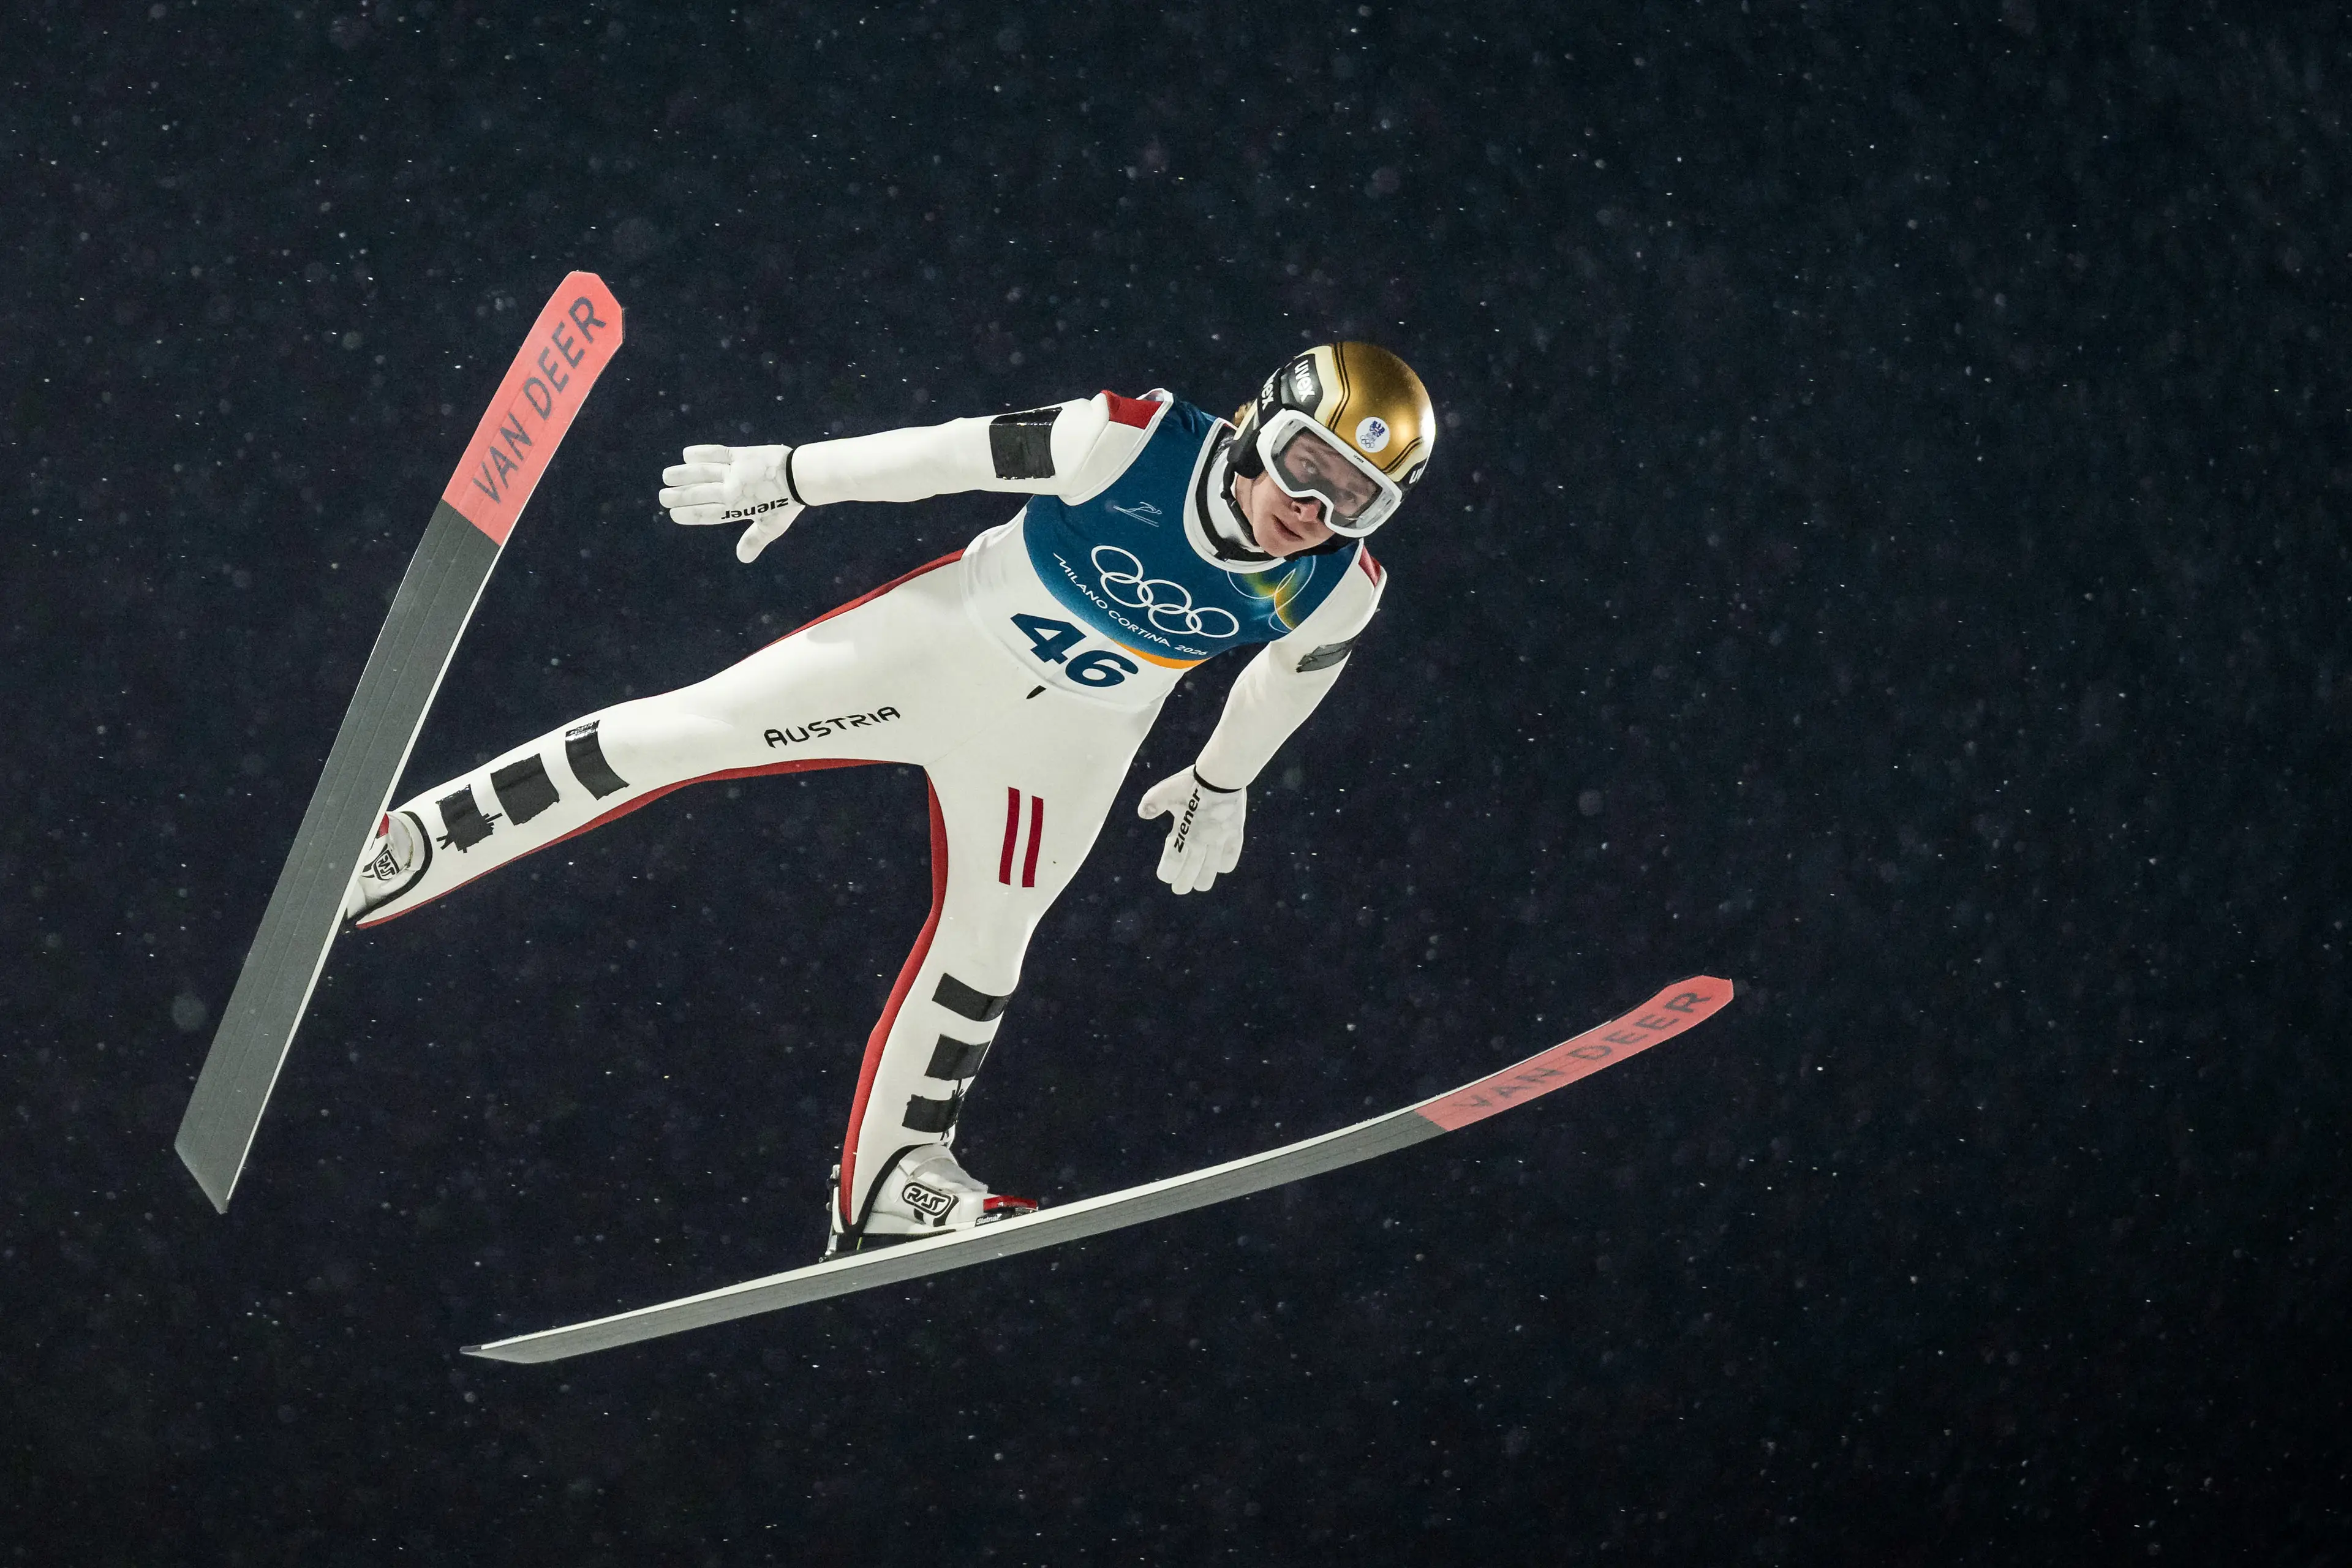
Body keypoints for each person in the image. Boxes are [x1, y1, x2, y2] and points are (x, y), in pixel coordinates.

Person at [341, 341, 1437, 1257]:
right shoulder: (1130, 439)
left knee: (994, 944)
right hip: (934, 650)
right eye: (1307, 466)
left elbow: (1288, 678)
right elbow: (948, 456)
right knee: (682, 733)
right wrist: (792, 473)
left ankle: (893, 1181)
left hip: (1066, 745)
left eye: (1355, 497)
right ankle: (415, 844)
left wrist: (1222, 777)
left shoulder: (1341, 584)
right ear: (1259, 423)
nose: (1313, 507)